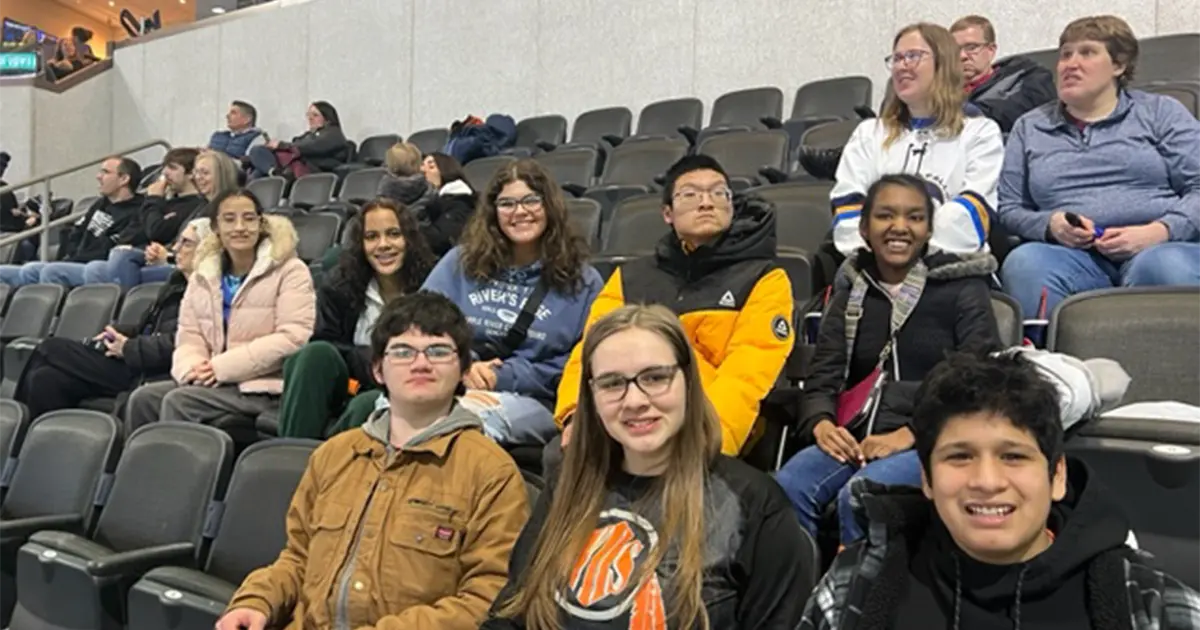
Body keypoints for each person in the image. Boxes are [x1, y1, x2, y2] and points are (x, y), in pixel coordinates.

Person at [797, 352, 1200, 630]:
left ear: (1057, 476)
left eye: (1013, 457)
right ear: (926, 480)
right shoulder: (856, 584)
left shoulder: (1149, 603)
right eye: (959, 457)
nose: (987, 482)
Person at [482, 304, 811, 630]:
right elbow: (511, 614)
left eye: (655, 378)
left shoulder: (755, 504)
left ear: (688, 381)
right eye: (612, 383)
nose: (635, 400)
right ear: (592, 396)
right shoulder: (569, 484)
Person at [216, 291, 529, 630]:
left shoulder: (491, 473)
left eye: (438, 351)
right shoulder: (334, 455)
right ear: (378, 370)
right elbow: (297, 558)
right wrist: (256, 601)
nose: (420, 363)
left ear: (464, 369)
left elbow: (488, 597)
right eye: (402, 351)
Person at [776, 173, 1002, 546]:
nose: (900, 227)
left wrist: (909, 433)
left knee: (864, 494)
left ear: (929, 230)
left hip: (933, 436)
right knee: (790, 486)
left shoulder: (962, 286)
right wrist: (821, 424)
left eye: (914, 217)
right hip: (854, 435)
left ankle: (862, 598)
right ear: (864, 228)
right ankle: (807, 595)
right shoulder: (850, 289)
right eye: (885, 216)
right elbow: (823, 376)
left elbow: (977, 381)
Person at [337, 160, 603, 446]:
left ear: (549, 205)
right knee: (386, 415)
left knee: (460, 423)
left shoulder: (583, 282)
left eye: (531, 200)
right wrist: (463, 366)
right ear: (493, 212)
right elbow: (414, 324)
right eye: (507, 204)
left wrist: (502, 376)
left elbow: (585, 362)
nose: (520, 211)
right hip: (451, 381)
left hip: (531, 399)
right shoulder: (460, 263)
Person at [552, 154, 794, 466]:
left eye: (719, 193)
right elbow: (590, 350)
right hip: (631, 413)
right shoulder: (630, 278)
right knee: (559, 457)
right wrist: (575, 414)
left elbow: (748, 371)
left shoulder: (765, 279)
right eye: (690, 194)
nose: (706, 203)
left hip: (708, 426)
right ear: (668, 213)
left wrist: (710, 436)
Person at [997, 15, 1200, 319]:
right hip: (1072, 256)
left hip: (1160, 246)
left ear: (1119, 66)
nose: (1070, 64)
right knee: (1026, 263)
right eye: (1065, 54)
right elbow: (1009, 207)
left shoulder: (1160, 113)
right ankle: (1045, 365)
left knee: (1162, 266)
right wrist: (1050, 226)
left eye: (1087, 53)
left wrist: (1160, 231)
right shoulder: (1031, 127)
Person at [124, 189, 315, 436]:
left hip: (262, 386)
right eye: (229, 219)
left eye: (249, 218)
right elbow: (189, 337)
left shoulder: (291, 270)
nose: (240, 227)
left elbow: (294, 337)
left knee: (179, 401)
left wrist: (221, 367)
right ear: (215, 227)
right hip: (213, 380)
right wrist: (193, 370)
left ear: (261, 223)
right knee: (143, 399)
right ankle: (138, 471)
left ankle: (181, 475)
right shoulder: (203, 274)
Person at [832, 22, 1004, 256]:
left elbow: (972, 209)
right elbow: (849, 207)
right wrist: (880, 258)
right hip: (874, 265)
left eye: (913, 56)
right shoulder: (869, 133)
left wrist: (912, 256)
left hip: (951, 267)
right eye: (897, 58)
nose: (902, 66)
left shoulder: (980, 132)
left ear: (943, 64)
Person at [276, 198, 436, 438]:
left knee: (369, 404)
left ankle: (326, 465)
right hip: (350, 381)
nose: (383, 245)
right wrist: (369, 359)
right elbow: (329, 345)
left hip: (401, 388)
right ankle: (290, 453)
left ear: (409, 239)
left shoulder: (432, 286)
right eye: (371, 237)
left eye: (393, 234)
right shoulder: (340, 285)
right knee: (314, 354)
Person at [13, 220, 205, 419]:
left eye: (186, 243)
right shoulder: (175, 285)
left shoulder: (206, 293)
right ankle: (41, 443)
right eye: (178, 242)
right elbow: (151, 327)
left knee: (51, 347)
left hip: (149, 370)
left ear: (206, 250)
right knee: (44, 378)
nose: (175, 248)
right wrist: (120, 331)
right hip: (136, 358)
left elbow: (179, 343)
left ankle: (15, 431)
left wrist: (128, 347)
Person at [98, 149, 241, 289]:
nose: (198, 177)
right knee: (118, 257)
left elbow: (211, 250)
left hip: (193, 266)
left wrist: (168, 256)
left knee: (117, 265)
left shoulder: (227, 207)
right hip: (172, 257)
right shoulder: (202, 206)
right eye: (197, 172)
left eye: (205, 173)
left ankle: (126, 308)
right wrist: (163, 252)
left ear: (221, 175)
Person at [0, 157, 143, 287]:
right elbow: (74, 233)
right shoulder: (100, 204)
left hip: (96, 267)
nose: (98, 176)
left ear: (124, 179)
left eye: (105, 172)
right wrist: (70, 256)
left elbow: (111, 248)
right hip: (75, 262)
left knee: (52, 271)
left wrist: (75, 258)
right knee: (21, 271)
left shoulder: (139, 210)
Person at [83, 147, 204, 287]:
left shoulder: (193, 205)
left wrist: (153, 198)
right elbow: (136, 231)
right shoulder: (163, 202)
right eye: (164, 167)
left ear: (190, 173)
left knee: (118, 259)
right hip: (144, 255)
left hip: (168, 261)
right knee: (97, 266)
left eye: (172, 168)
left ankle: (126, 304)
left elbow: (157, 232)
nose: (165, 173)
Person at [951, 15, 1056, 133]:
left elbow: (1024, 113)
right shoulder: (943, 88)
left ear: (991, 50)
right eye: (955, 50)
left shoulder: (1023, 77)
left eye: (971, 47)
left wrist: (970, 111)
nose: (962, 56)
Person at [380, 147, 476, 256]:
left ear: (447, 170)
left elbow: (441, 239)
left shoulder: (460, 201)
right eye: (422, 165)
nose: (423, 170)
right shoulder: (424, 199)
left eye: (431, 166)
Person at [247, 101, 349, 178]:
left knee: (260, 170)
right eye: (308, 115)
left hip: (314, 170)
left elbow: (313, 147)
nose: (310, 118)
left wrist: (282, 145)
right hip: (291, 167)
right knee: (258, 152)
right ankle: (274, 172)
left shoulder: (333, 133)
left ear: (327, 119)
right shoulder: (307, 135)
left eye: (315, 115)